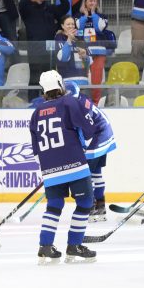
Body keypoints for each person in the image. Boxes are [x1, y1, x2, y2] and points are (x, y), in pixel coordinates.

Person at [29, 70, 97, 264]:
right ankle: (74, 245)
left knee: (54, 206)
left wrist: (50, 167)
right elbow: (88, 131)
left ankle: (45, 246)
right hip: (75, 163)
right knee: (84, 204)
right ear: (60, 84)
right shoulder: (69, 102)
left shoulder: (36, 112)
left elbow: (35, 151)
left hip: (50, 168)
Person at [63, 80, 117, 222]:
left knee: (86, 174)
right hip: (104, 134)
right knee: (95, 172)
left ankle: (91, 207)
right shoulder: (81, 99)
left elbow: (87, 130)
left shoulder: (77, 105)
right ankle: (100, 206)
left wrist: (82, 148)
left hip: (98, 136)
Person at [18, 0, 69, 100]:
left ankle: (49, 99)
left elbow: (64, 9)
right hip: (35, 47)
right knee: (35, 75)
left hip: (50, 47)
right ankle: (32, 101)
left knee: (49, 76)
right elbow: (22, 4)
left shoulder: (49, 8)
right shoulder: (27, 9)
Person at [75, 0, 117, 104]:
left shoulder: (102, 17)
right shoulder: (78, 16)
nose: (92, 3)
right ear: (85, 3)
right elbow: (79, 28)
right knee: (83, 77)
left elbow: (99, 28)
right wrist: (85, 16)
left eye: (94, 1)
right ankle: (81, 102)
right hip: (84, 52)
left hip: (99, 51)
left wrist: (93, 14)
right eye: (90, 1)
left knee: (96, 79)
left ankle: (95, 103)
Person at [55, 15, 92, 85]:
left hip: (83, 80)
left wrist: (85, 56)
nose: (71, 26)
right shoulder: (59, 38)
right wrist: (69, 39)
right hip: (67, 81)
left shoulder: (80, 38)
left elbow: (89, 61)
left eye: (72, 24)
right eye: (68, 24)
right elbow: (63, 58)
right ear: (62, 26)